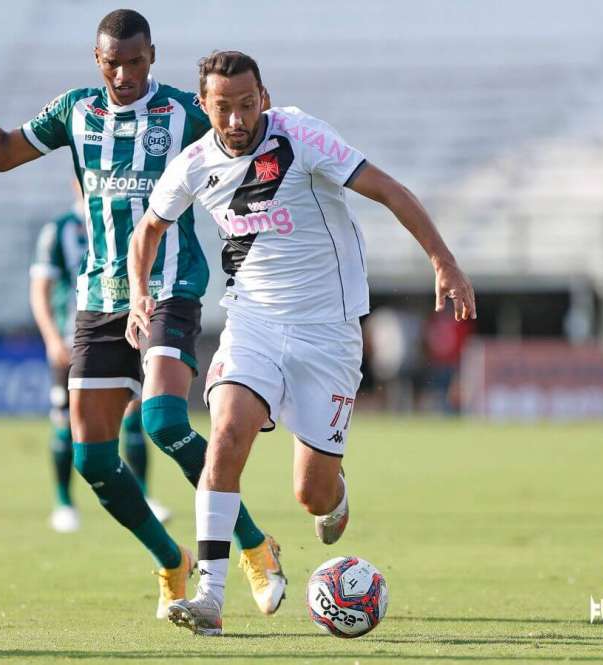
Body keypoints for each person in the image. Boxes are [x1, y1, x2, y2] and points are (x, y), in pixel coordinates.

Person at [0, 10, 284, 619]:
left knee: (164, 420)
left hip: (170, 286)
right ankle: (171, 560)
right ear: (97, 60)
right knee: (91, 458)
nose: (123, 74)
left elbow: (245, 137)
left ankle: (254, 545)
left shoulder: (184, 112)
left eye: (135, 61)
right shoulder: (76, 111)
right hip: (98, 298)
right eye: (112, 63)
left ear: (153, 56)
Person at [127, 50, 476, 635]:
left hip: (328, 332)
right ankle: (211, 597)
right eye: (223, 108)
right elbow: (149, 229)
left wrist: (443, 261)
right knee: (225, 437)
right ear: (204, 105)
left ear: (263, 97)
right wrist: (140, 292)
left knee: (311, 494)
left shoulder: (302, 137)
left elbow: (388, 189)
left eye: (246, 105)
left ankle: (335, 496)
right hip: (253, 323)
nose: (236, 120)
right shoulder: (193, 163)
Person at [29, 189, 171, 533]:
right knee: (66, 421)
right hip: (72, 337)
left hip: (123, 330)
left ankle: (144, 496)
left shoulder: (129, 219)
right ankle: (64, 503)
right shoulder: (59, 229)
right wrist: (51, 338)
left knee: (134, 415)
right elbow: (40, 288)